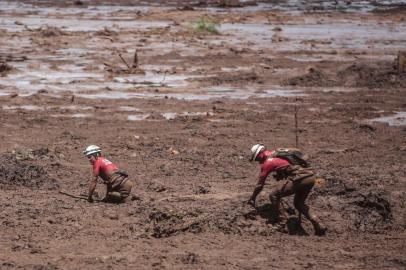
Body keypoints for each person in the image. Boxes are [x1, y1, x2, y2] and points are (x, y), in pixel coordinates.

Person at [247, 143, 327, 235]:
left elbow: (259, 185)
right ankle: (319, 224)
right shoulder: (279, 152)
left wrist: (252, 198)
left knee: (274, 195)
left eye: (257, 158)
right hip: (312, 177)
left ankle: (282, 223)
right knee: (299, 203)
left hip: (300, 177)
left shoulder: (267, 163)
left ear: (260, 154)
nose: (258, 161)